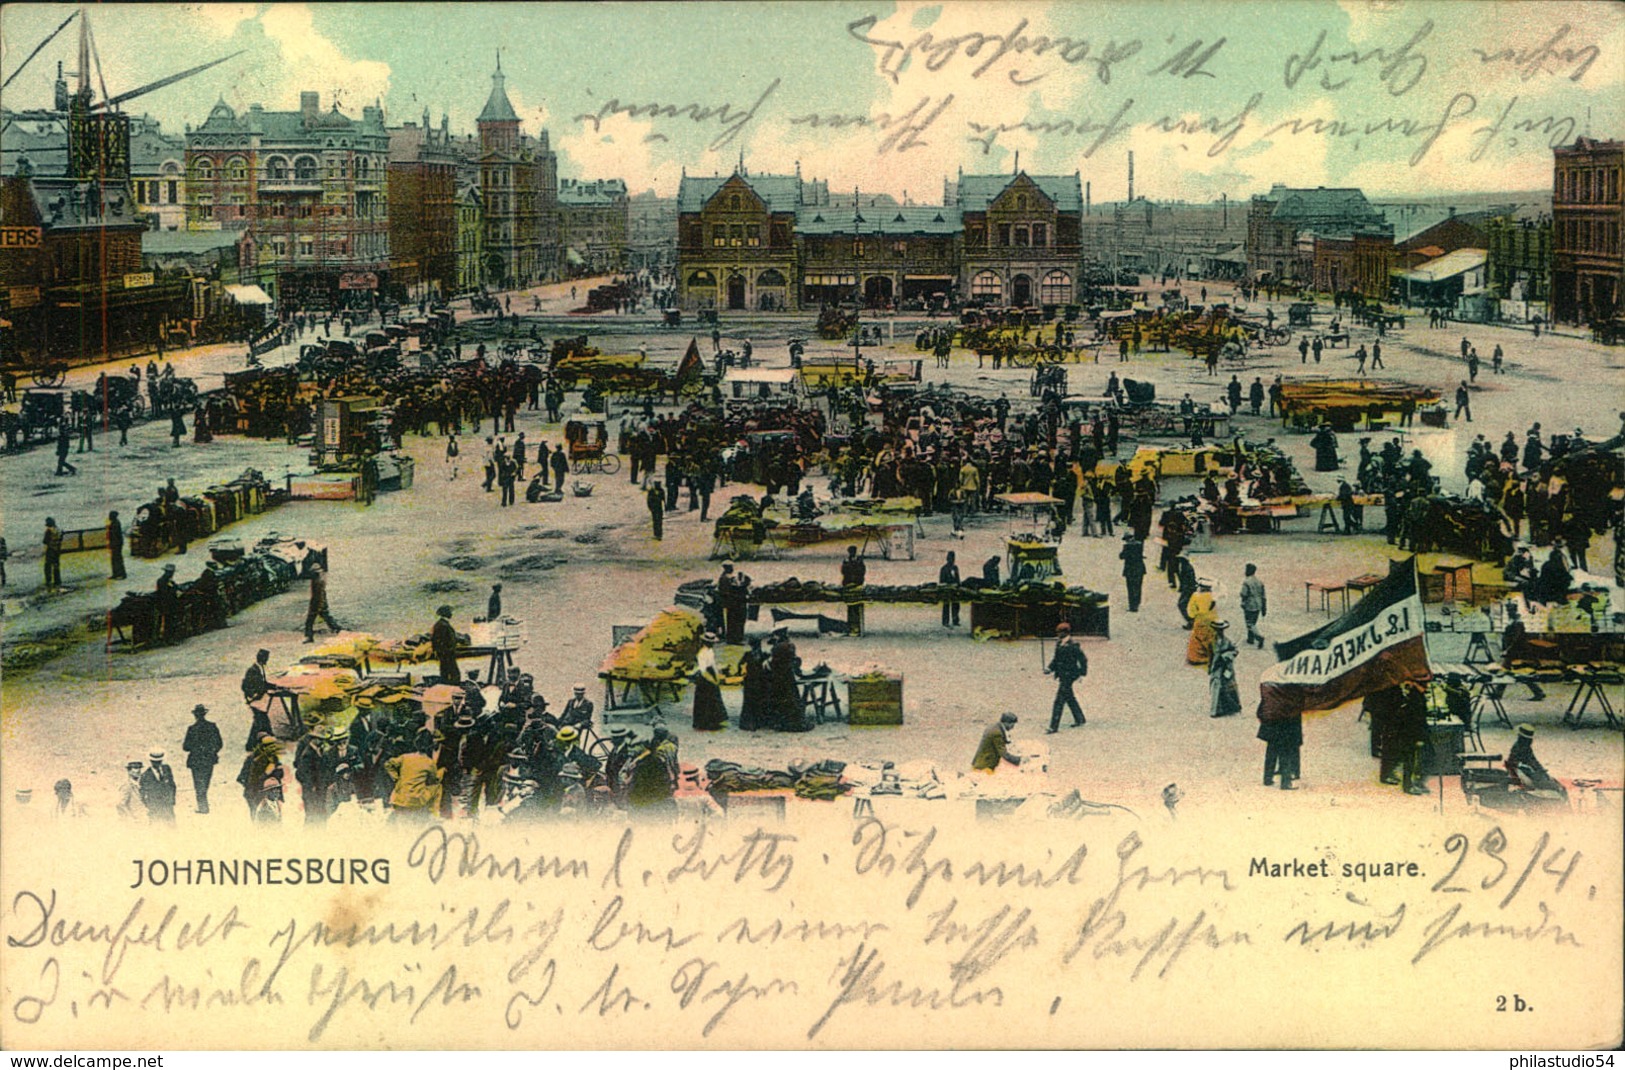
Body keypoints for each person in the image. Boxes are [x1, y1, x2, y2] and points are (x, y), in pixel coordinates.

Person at [1044, 622, 1088, 733]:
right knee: (1069, 697)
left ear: (1065, 633)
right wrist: (1050, 669)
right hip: (1063, 675)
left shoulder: (1073, 645)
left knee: (1059, 701)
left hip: (1069, 675)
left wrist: (1082, 674)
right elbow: (1056, 659)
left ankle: (1053, 726)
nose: (1058, 635)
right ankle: (1080, 718)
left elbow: (1083, 660)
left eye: (1059, 633)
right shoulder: (1059, 643)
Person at [1505, 724, 1565, 798]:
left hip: (1530, 772)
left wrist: (1541, 771)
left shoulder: (1525, 747)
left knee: (1557, 785)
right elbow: (1515, 764)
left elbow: (1533, 761)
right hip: (1526, 774)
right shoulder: (1519, 748)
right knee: (1556, 788)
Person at [182, 705, 223, 814]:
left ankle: (203, 806)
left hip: (196, 760)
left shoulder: (192, 729)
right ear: (204, 714)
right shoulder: (212, 726)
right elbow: (219, 744)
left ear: (195, 715)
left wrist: (196, 748)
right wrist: (210, 751)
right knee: (205, 782)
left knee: (198, 783)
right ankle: (203, 805)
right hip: (209, 759)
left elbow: (185, 747)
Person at [767, 630, 807, 732]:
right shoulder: (789, 646)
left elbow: (772, 663)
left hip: (778, 678)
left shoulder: (777, 648)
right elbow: (796, 661)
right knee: (791, 698)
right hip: (788, 677)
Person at [691, 632, 727, 731]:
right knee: (704, 700)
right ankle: (703, 723)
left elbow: (713, 665)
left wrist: (717, 677)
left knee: (713, 699)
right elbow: (703, 671)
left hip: (711, 674)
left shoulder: (710, 651)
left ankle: (714, 721)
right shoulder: (701, 653)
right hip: (705, 678)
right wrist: (712, 680)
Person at [1258, 711, 1302, 789]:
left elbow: (1261, 710)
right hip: (1286, 723)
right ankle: (1286, 782)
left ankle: (1267, 778)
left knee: (1271, 751)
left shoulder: (1270, 698)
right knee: (1286, 751)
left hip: (1272, 723)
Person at [1208, 621, 1241, 717]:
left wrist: (1227, 655)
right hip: (1217, 666)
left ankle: (1231, 707)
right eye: (1217, 630)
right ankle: (1214, 710)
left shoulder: (1227, 641)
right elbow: (1210, 655)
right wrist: (1210, 666)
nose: (1219, 632)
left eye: (1221, 630)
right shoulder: (1211, 641)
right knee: (1216, 685)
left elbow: (1235, 650)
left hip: (1226, 665)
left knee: (1228, 685)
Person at [302, 562, 341, 642]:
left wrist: (318, 606)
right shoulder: (320, 579)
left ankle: (309, 636)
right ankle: (337, 629)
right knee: (327, 617)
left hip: (317, 603)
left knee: (309, 621)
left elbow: (318, 595)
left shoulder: (318, 581)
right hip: (320, 603)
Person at [738, 637, 771, 731]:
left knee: (749, 702)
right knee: (761, 700)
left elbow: (739, 665)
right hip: (761, 681)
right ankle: (761, 721)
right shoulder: (764, 655)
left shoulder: (747, 654)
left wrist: (742, 674)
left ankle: (750, 722)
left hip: (750, 682)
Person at [139, 749, 178, 824]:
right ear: (151, 761)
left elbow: (172, 785)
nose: (157, 764)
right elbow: (143, 794)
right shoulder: (145, 776)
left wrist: (172, 799)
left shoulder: (167, 769)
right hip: (155, 808)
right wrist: (149, 806)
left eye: (159, 761)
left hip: (168, 807)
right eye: (155, 762)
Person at [840, 545, 867, 636]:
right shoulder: (847, 561)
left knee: (856, 609)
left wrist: (857, 564)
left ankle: (857, 628)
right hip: (849, 586)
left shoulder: (858, 561)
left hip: (857, 586)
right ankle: (852, 627)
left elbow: (862, 572)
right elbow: (844, 571)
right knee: (851, 609)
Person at [1239, 564, 1267, 649]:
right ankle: (1250, 638)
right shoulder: (1259, 582)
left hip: (1249, 605)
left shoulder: (1246, 582)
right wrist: (1264, 608)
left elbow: (1243, 593)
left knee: (1249, 623)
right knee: (1253, 622)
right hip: (1258, 605)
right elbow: (1264, 596)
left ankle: (1259, 637)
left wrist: (1243, 601)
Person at [431, 605, 461, 683]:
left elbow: (435, 640)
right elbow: (440, 641)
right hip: (447, 653)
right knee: (454, 673)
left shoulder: (440, 624)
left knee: (445, 672)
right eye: (450, 612)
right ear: (446, 613)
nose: (451, 614)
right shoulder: (443, 625)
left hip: (445, 653)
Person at [1119, 533, 1146, 612]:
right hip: (1140, 568)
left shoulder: (1127, 547)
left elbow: (1121, 556)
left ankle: (1132, 606)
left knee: (1131, 587)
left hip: (1130, 569)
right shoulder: (1139, 544)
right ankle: (1137, 602)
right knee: (1138, 586)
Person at [939, 550, 961, 627]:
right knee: (946, 605)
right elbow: (941, 581)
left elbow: (958, 579)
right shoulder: (943, 569)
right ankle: (945, 622)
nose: (952, 560)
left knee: (956, 605)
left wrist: (957, 585)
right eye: (950, 559)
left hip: (954, 590)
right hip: (947, 590)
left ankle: (955, 620)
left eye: (953, 559)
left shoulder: (955, 568)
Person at [42, 517, 63, 590]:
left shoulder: (48, 531)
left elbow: (45, 541)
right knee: (56, 566)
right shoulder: (58, 530)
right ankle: (57, 581)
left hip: (50, 549)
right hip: (57, 549)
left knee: (47, 566)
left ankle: (49, 581)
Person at [106, 510, 126, 580]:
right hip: (117, 543)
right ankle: (118, 573)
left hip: (116, 544)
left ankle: (120, 574)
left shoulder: (115, 524)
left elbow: (114, 535)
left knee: (117, 559)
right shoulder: (116, 523)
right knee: (116, 559)